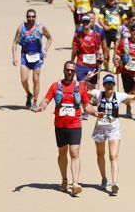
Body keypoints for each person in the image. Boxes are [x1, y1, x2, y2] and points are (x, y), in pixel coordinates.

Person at [36, 61, 96, 196]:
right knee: (62, 153)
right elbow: (46, 100)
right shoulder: (55, 86)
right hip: (60, 125)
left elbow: (86, 106)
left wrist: (95, 113)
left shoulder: (80, 88)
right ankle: (64, 180)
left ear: (75, 72)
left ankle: (75, 183)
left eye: (72, 71)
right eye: (68, 70)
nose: (70, 72)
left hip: (75, 125)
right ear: (64, 70)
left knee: (75, 153)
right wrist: (42, 106)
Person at [89, 75, 135, 194]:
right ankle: (104, 179)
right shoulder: (98, 94)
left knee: (113, 156)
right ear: (104, 85)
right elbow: (83, 92)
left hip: (114, 129)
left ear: (114, 85)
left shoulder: (119, 95)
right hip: (100, 128)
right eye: (106, 84)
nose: (109, 86)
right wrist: (87, 80)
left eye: (111, 84)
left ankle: (114, 182)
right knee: (100, 154)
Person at [12, 9, 52, 111]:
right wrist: (14, 56)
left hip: (37, 57)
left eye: (33, 16)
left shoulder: (40, 27)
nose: (31, 18)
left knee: (35, 79)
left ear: (35, 17)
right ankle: (28, 94)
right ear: (26, 17)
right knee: (24, 79)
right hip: (25, 56)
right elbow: (15, 43)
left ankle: (34, 101)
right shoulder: (21, 28)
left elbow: (50, 38)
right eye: (29, 16)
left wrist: (45, 50)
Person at [71, 14, 103, 90]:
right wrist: (72, 62)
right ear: (82, 23)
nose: (85, 24)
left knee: (91, 88)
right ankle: (82, 101)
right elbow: (74, 50)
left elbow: (99, 48)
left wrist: (100, 56)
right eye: (84, 22)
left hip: (93, 65)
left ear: (90, 22)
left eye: (87, 22)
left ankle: (87, 101)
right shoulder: (77, 35)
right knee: (81, 87)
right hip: (81, 64)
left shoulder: (96, 35)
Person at [98, 0, 122, 70]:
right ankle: (106, 65)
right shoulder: (103, 8)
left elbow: (124, 19)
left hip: (117, 32)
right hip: (107, 32)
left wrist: (123, 26)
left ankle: (115, 67)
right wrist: (104, 26)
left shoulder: (119, 8)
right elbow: (100, 19)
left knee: (117, 50)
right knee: (106, 49)